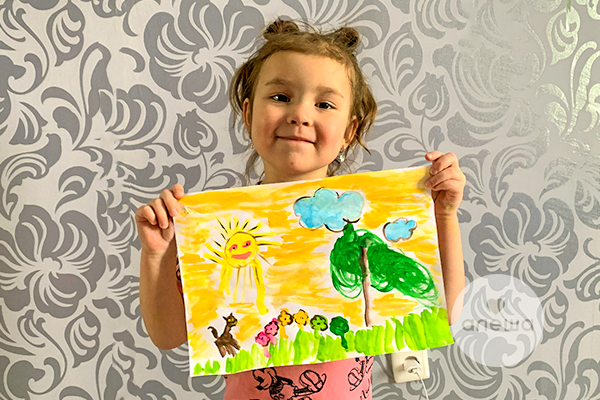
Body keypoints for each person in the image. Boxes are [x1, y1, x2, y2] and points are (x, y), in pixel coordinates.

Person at [135, 18, 466, 400]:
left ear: (350, 131)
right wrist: (155, 254)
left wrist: (444, 215)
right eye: (280, 97)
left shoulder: (368, 219)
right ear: (248, 114)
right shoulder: (219, 229)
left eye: (324, 104)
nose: (300, 114)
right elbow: (168, 335)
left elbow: (449, 311)